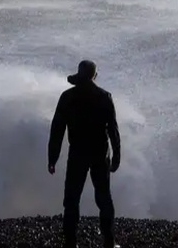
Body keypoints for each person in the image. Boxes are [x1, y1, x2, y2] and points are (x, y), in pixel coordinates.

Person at [48, 60, 121, 248]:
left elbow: (57, 129)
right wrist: (117, 155)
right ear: (94, 76)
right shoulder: (105, 97)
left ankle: (71, 243)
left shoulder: (67, 97)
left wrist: (52, 157)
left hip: (78, 153)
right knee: (104, 198)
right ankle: (109, 242)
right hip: (99, 153)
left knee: (72, 198)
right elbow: (113, 129)